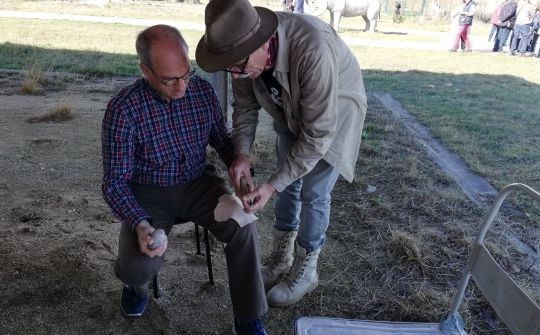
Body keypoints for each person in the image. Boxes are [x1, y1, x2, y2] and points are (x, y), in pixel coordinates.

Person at [196, 0, 367, 307]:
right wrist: (241, 154)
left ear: (264, 42)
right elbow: (245, 109)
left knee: (313, 191)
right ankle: (280, 259)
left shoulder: (312, 48)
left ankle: (307, 269)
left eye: (240, 65)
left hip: (334, 115)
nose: (236, 75)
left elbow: (317, 136)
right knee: (287, 186)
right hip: (287, 109)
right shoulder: (243, 57)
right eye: (230, 67)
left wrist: (271, 185)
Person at [101, 24, 267, 335]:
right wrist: (139, 222)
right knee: (138, 269)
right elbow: (114, 182)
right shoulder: (123, 110)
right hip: (148, 193)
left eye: (185, 73)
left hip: (198, 182)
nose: (181, 87)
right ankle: (136, 288)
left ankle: (249, 317)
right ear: (145, 71)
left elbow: (221, 139)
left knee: (244, 222)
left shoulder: (202, 91)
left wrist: (239, 166)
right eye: (169, 80)